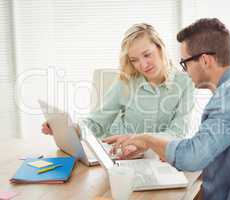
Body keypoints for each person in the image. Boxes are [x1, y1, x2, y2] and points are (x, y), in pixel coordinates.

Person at [107, 18, 230, 200]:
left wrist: (146, 139)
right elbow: (205, 147)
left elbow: (192, 157)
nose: (185, 72)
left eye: (185, 63)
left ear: (205, 60)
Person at [42, 23, 195, 148]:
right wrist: (70, 129)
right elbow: (97, 122)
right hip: (119, 153)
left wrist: (140, 140)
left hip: (158, 157)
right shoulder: (127, 81)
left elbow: (178, 132)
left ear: (160, 47)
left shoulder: (186, 82)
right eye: (134, 60)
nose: (143, 65)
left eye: (147, 54)